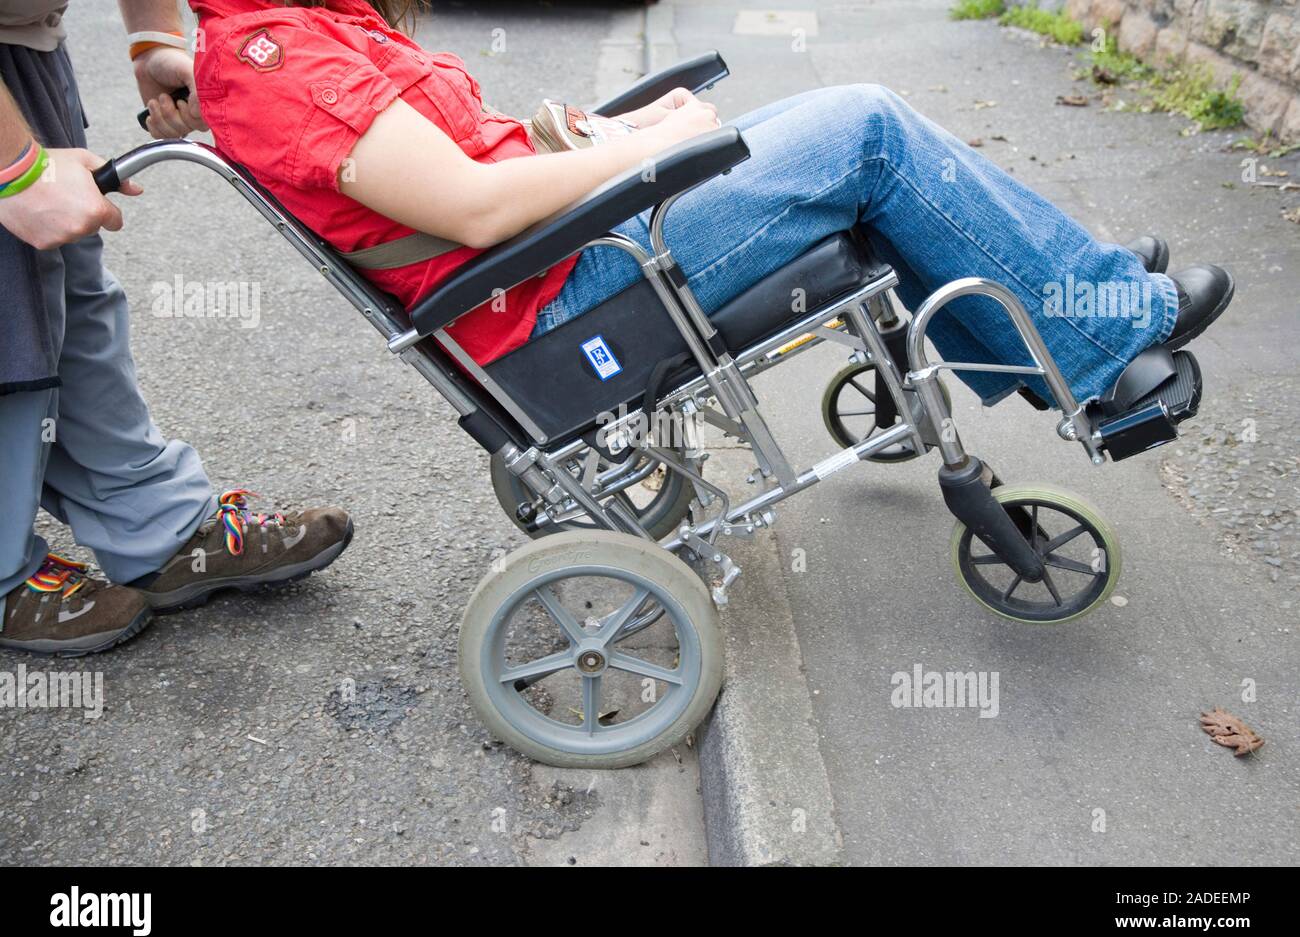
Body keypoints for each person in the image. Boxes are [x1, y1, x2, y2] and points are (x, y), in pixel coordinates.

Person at [188, 0, 1232, 410]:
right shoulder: (280, 59)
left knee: (842, 131)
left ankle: (1054, 285)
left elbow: (484, 164)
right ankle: (1100, 338)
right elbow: (469, 207)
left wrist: (636, 136)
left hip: (570, 253)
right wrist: (666, 148)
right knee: (863, 127)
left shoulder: (314, 24)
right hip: (560, 296)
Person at [0, 0, 353, 657]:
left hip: (22, 44)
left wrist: (151, 43)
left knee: (65, 297)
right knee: (6, 319)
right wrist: (14, 170)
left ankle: (155, 527)